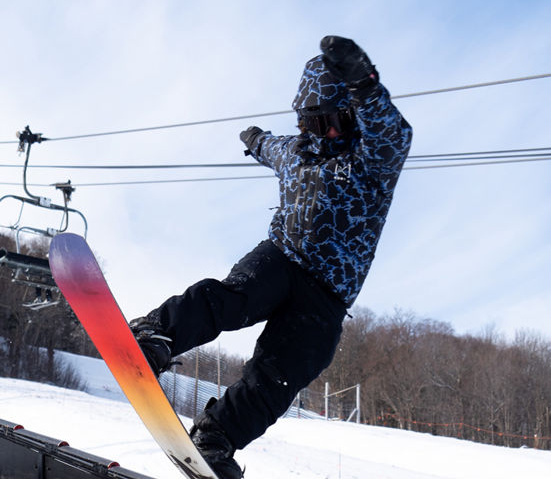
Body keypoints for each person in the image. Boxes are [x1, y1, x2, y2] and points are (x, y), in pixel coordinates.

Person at [129, 36, 412, 478]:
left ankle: (215, 437)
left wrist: (365, 84)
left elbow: (393, 136)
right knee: (233, 297)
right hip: (281, 257)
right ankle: (156, 334)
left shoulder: (371, 161)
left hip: (327, 296)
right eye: (316, 126)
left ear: (353, 115)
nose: (328, 133)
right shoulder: (295, 152)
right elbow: (270, 147)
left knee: (279, 377)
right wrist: (255, 139)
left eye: (335, 121)